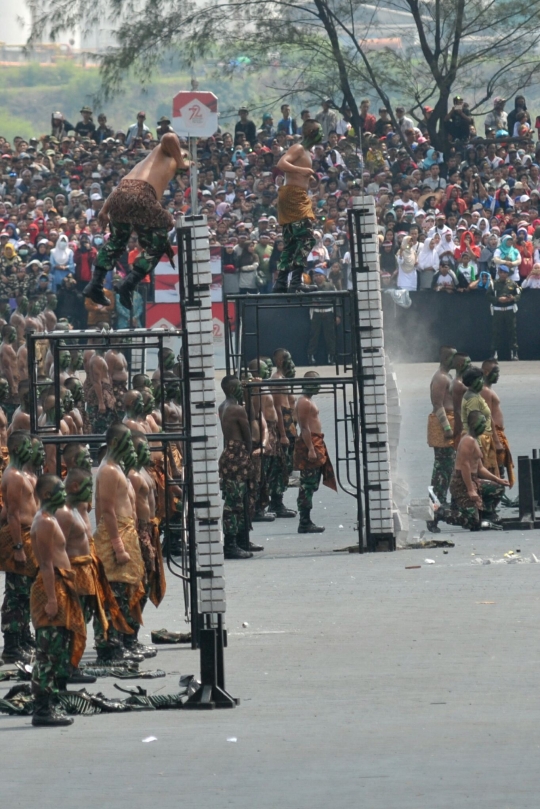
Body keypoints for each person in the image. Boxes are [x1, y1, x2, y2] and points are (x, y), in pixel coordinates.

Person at [82, 134, 190, 309]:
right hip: (142, 195)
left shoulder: (147, 163)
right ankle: (128, 285)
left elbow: (123, 187)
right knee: (159, 243)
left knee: (117, 241)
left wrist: (104, 209)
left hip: (119, 196)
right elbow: (169, 137)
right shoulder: (165, 152)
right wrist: (182, 160)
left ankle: (95, 284)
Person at [30, 474, 87, 727]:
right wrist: (52, 599)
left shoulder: (52, 518)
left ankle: (53, 701)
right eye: (59, 490)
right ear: (46, 495)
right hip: (50, 588)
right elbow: (45, 563)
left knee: (59, 647)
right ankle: (42, 709)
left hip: (62, 585)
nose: (64, 494)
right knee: (48, 652)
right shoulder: (44, 522)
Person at [92, 423, 145, 662]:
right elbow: (108, 511)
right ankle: (108, 646)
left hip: (127, 532)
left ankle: (121, 642)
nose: (130, 445)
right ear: (114, 443)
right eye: (126, 440)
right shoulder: (108, 471)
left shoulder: (118, 468)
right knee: (112, 594)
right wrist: (118, 545)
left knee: (124, 592)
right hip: (116, 538)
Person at [0, 431, 40, 664]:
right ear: (16, 449)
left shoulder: (25, 474)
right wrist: (17, 547)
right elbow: (13, 515)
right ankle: (12, 645)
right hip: (20, 536)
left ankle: (24, 636)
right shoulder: (13, 476)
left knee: (26, 593)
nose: (30, 449)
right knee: (16, 594)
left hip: (29, 535)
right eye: (26, 445)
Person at [272, 120, 321, 293]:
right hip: (293, 197)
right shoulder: (298, 148)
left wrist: (309, 178)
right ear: (309, 132)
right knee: (307, 238)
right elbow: (282, 164)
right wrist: (302, 172)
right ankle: (295, 282)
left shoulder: (308, 152)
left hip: (296, 194)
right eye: (317, 131)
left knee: (291, 242)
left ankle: (281, 282)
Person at [441, 411, 508, 531]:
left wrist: (497, 479)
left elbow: (480, 468)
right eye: (481, 423)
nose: (484, 425)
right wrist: (471, 490)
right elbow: (464, 465)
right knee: (473, 522)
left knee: (497, 488)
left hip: (473, 479)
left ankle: (485, 514)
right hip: (462, 483)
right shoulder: (468, 441)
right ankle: (440, 513)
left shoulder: (475, 441)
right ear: (473, 424)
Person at [218, 375, 259, 559]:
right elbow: (247, 435)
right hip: (238, 454)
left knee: (240, 499)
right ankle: (231, 544)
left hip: (229, 452)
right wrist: (249, 455)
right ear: (233, 389)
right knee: (236, 502)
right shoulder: (237, 409)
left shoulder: (223, 406)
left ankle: (242, 539)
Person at [293, 371, 337, 533]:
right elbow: (304, 427)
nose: (319, 387)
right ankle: (304, 522)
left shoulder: (308, 400)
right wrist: (311, 449)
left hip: (315, 441)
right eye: (316, 383)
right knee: (308, 484)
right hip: (310, 444)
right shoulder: (304, 402)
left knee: (311, 483)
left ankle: (306, 520)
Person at [426, 346, 457, 530]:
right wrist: (446, 427)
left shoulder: (448, 376)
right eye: (453, 357)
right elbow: (437, 404)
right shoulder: (440, 378)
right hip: (443, 428)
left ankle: (441, 509)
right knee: (441, 473)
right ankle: (433, 514)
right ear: (446, 358)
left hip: (450, 427)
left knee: (447, 470)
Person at [461, 366, 499, 476]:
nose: (482, 382)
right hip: (478, 440)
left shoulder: (475, 395)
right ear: (473, 381)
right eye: (480, 379)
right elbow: (474, 424)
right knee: (481, 472)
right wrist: (477, 447)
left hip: (483, 438)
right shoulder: (472, 399)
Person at [481, 359, 514, 487]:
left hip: (497, 433)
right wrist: (496, 440)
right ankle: (491, 499)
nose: (498, 375)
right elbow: (487, 416)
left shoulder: (489, 389)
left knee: (500, 470)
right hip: (492, 435)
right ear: (486, 371)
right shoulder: (485, 391)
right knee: (495, 470)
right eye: (495, 372)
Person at [487, 264, 521, 361]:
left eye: (505, 272)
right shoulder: (493, 284)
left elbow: (518, 294)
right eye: (501, 272)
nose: (503, 274)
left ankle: (514, 353)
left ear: (507, 274)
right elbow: (488, 296)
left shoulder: (513, 284)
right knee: (496, 332)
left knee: (512, 332)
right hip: (498, 311)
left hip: (510, 310)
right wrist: (498, 299)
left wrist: (512, 298)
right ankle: (494, 353)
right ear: (498, 273)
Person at [307, 270, 338, 363]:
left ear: (324, 276)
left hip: (328, 312)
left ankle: (331, 356)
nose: (317, 277)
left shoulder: (330, 286)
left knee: (330, 336)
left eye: (320, 275)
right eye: (316, 275)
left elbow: (337, 300)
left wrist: (338, 315)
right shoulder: (311, 287)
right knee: (313, 335)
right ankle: (311, 356)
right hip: (316, 312)